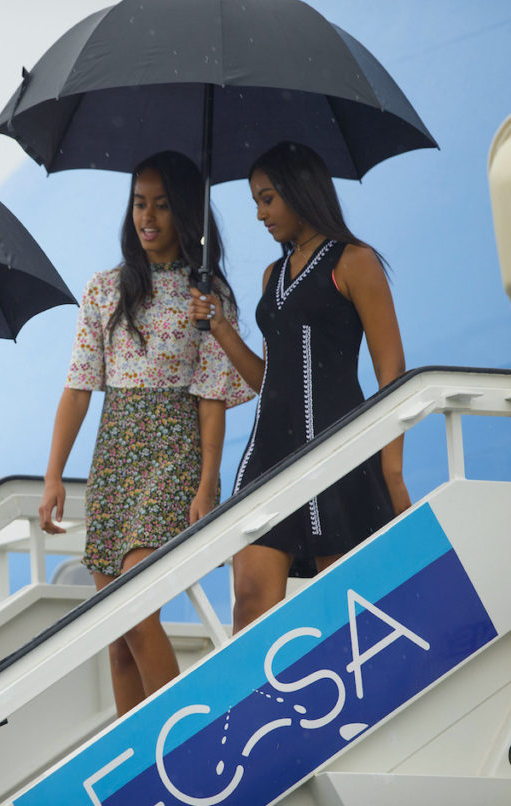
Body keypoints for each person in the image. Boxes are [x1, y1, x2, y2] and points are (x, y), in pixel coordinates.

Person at [39, 151, 254, 717]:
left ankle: (184, 739)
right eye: (140, 203)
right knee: (116, 638)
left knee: (135, 607)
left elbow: (213, 400)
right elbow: (79, 387)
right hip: (113, 455)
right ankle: (141, 769)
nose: (148, 216)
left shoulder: (208, 295)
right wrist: (54, 475)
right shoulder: (104, 289)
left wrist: (208, 486)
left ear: (186, 212)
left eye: (162, 204)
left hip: (173, 451)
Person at [189, 140, 412, 634]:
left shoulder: (355, 260)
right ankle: (256, 707)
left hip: (338, 446)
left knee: (345, 606)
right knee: (249, 598)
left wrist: (390, 467)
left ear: (299, 191)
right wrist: (223, 328)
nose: (260, 214)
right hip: (269, 453)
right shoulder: (272, 275)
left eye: (267, 198)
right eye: (254, 202)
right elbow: (269, 381)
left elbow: (391, 370)